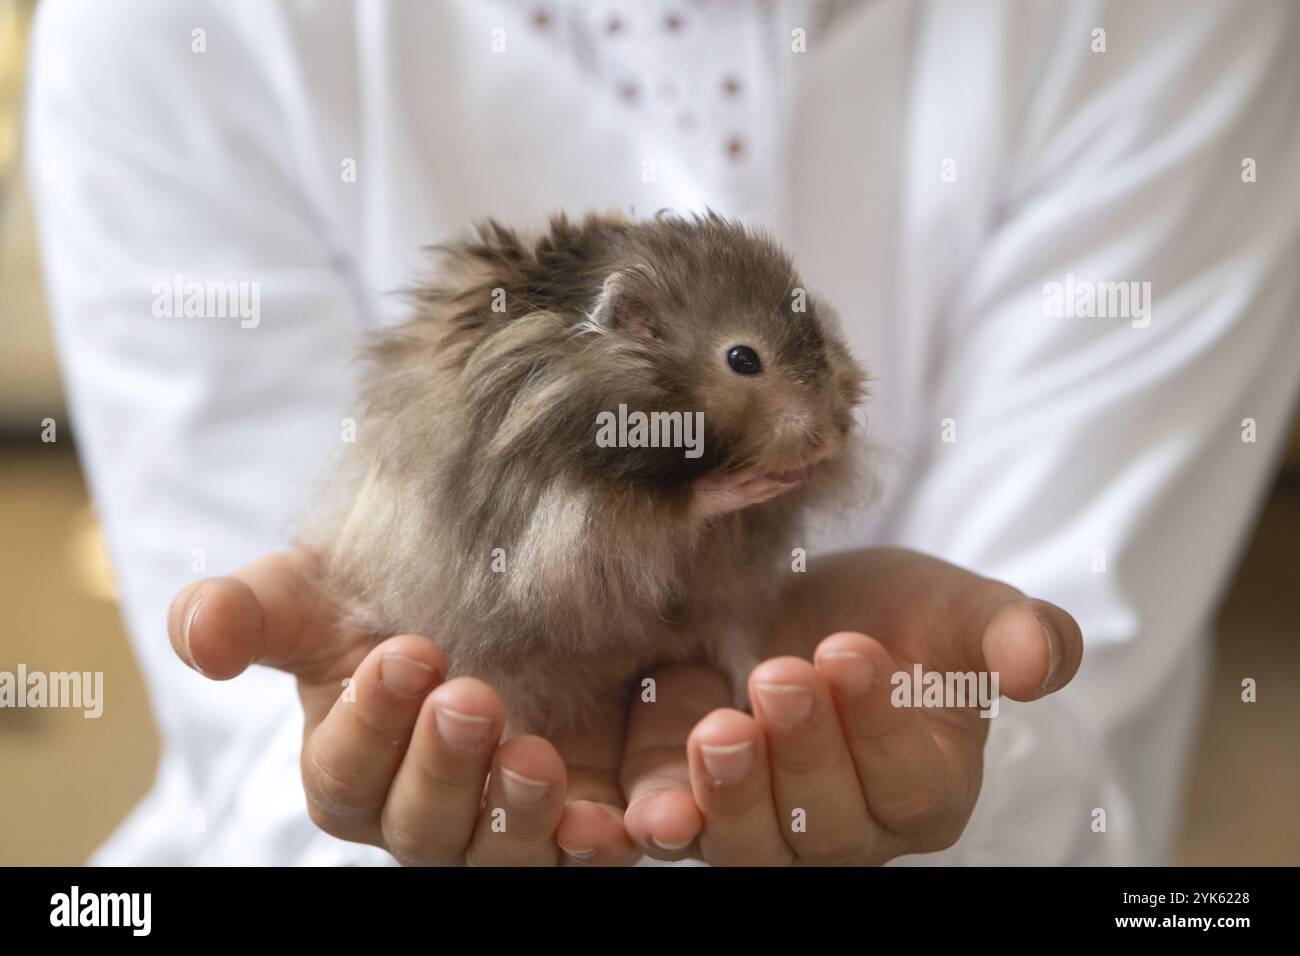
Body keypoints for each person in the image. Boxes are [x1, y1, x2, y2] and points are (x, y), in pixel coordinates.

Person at [27, 0, 1300, 865]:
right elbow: (268, 726)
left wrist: (956, 732)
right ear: (627, 329)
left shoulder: (1183, 30)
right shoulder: (166, 32)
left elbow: (1063, 662)